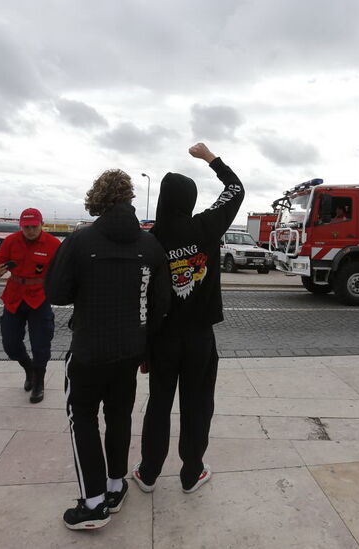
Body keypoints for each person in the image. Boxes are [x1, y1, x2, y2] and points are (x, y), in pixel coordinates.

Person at [45, 170, 170, 531]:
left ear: (97, 199)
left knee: (81, 418)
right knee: (119, 417)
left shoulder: (81, 241)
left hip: (88, 350)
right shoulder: (150, 246)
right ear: (130, 199)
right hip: (130, 350)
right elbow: (161, 303)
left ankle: (93, 503)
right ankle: (115, 487)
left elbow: (57, 293)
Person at [134, 142, 244, 495]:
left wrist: (145, 348)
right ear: (191, 200)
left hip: (163, 339)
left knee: (159, 404)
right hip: (199, 338)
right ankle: (191, 472)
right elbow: (236, 190)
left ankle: (149, 473)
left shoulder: (150, 241)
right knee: (197, 406)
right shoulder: (206, 227)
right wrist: (211, 159)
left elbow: (143, 298)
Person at [0, 208, 61, 403]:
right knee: (10, 344)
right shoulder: (11, 241)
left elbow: (61, 272)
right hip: (14, 297)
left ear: (41, 224)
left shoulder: (53, 244)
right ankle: (28, 368)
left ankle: (39, 380)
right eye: (26, 227)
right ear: (21, 225)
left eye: (34, 227)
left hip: (39, 298)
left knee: (41, 344)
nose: (30, 230)